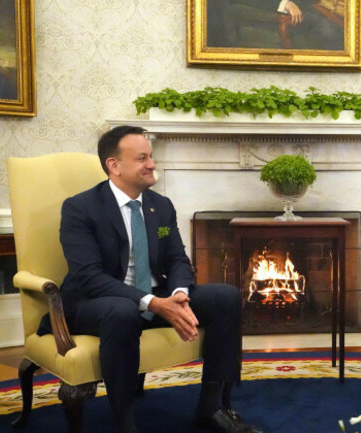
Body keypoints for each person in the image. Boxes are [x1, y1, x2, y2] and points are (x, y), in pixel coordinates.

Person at [55, 126, 262, 433]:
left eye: (151, 156)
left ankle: (211, 408)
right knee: (122, 311)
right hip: (95, 304)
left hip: (157, 297)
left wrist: (178, 293)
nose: (152, 164)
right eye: (142, 158)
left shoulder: (159, 208)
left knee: (225, 297)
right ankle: (125, 423)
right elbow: (88, 276)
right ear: (114, 166)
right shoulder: (81, 208)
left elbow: (175, 257)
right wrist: (153, 302)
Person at [217, 0, 343, 50]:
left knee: (337, 31)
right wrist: (285, 3)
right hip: (270, 20)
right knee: (331, 34)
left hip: (309, 14)